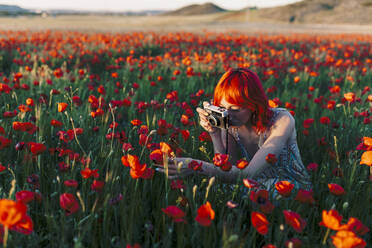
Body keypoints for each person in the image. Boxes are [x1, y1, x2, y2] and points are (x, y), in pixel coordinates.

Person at [155, 68, 312, 191]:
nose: (228, 114)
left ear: (254, 104)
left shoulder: (282, 120)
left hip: (289, 184)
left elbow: (248, 173)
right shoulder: (229, 123)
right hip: (252, 183)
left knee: (245, 192)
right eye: (223, 108)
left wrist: (195, 165)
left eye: (236, 108)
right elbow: (226, 170)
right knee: (220, 189)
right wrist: (215, 134)